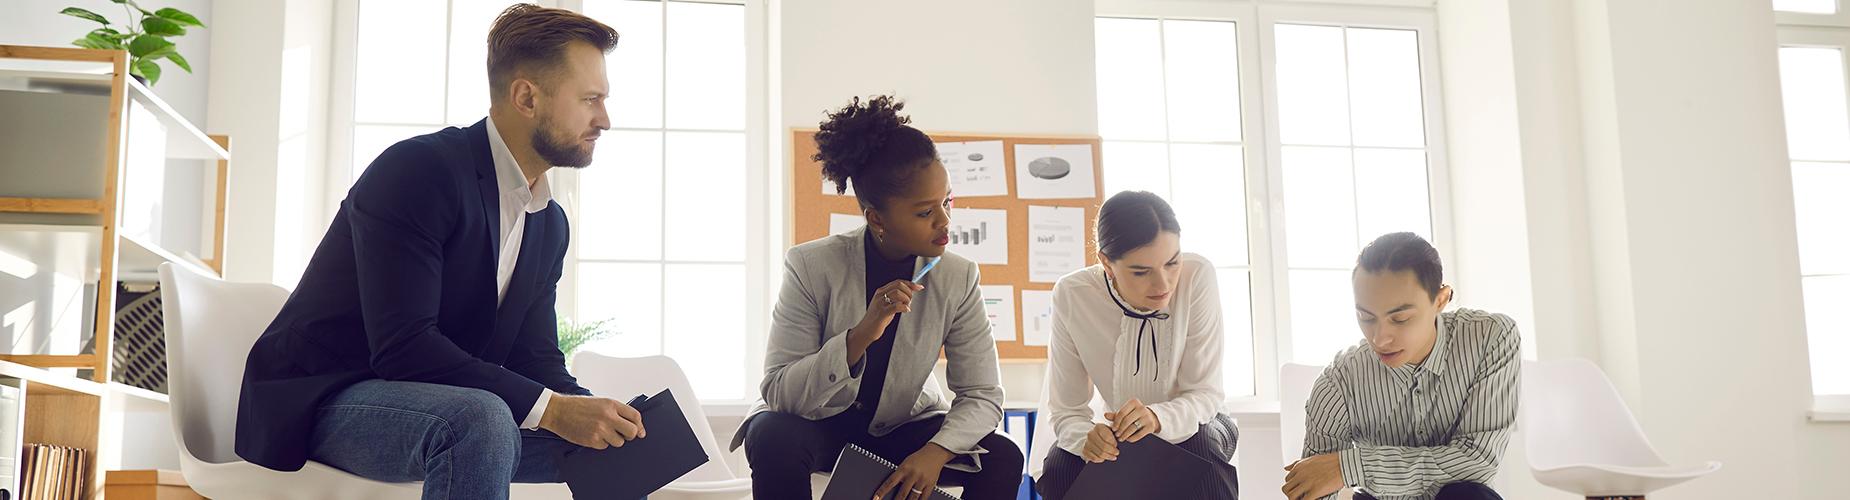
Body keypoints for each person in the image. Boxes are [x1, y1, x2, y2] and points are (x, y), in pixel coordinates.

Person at [236, 5, 645, 499]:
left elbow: (533, 356)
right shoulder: (419, 171)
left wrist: (594, 412)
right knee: (481, 420)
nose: (605, 119)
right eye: (590, 99)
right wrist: (555, 412)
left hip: (435, 404)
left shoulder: (548, 222)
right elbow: (404, 347)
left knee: (616, 445)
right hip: (322, 396)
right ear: (526, 97)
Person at [732, 95, 1024, 500]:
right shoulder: (810, 265)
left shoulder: (958, 276)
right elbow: (780, 391)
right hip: (821, 426)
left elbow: (983, 394)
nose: (944, 221)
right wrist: (861, 335)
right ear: (877, 218)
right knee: (770, 434)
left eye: (947, 201)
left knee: (1003, 455)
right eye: (925, 212)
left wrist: (936, 452)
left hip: (905, 428)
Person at [1034, 190, 1240, 500]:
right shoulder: (1072, 294)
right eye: (1141, 271)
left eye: (1172, 263)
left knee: (1203, 456)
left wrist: (1158, 418)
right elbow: (1066, 409)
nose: (1163, 285)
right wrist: (1087, 439)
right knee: (1060, 468)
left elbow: (1204, 395)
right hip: (1121, 432)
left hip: (1199, 421)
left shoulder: (1198, 275)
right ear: (1106, 262)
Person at [1283, 232, 1519, 500]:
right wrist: (1335, 473)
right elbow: (1313, 485)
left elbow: (1477, 461)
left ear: (1440, 300)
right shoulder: (1339, 381)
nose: (1379, 338)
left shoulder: (1491, 338)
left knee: (1470, 496)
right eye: (1366, 317)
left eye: (1400, 318)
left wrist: (1350, 466)